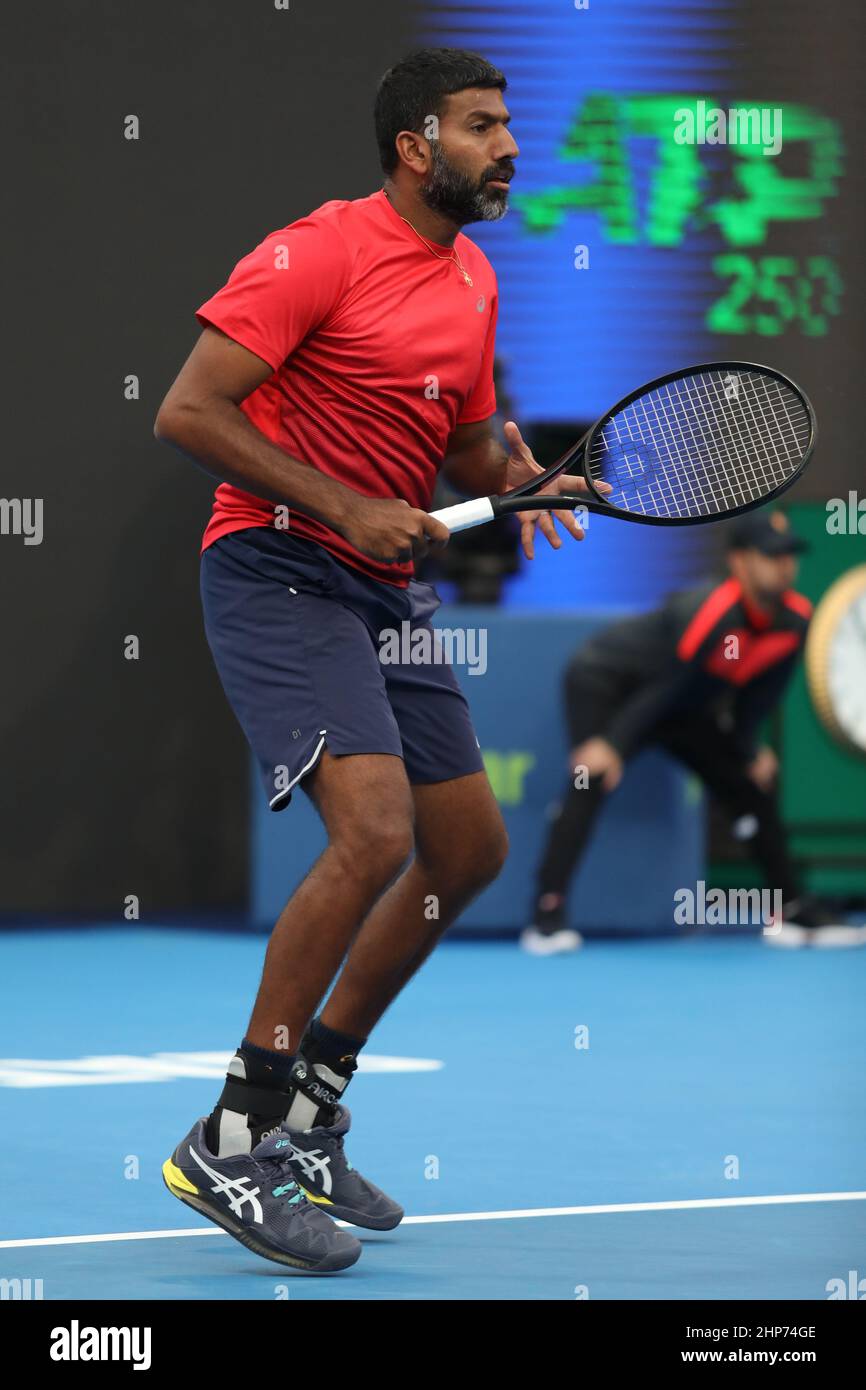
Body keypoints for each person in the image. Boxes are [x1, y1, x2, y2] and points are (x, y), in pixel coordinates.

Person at [154, 47, 590, 1273]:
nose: (509, 145)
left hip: (380, 588)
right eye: (482, 126)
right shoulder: (316, 251)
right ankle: (232, 1132)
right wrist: (343, 505)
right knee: (375, 833)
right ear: (415, 143)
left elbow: (459, 456)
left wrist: (514, 481)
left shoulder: (471, 280)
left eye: (509, 125)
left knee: (470, 848)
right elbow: (187, 410)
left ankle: (307, 1106)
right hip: (277, 567)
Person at [523, 510, 865, 955]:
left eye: (789, 556)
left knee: (750, 784)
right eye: (771, 555)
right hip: (606, 683)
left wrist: (747, 748)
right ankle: (546, 918)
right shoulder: (712, 612)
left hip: (676, 704)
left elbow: (756, 696)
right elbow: (668, 684)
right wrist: (611, 744)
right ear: (740, 562)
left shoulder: (796, 621)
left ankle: (792, 909)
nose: (785, 565)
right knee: (591, 777)